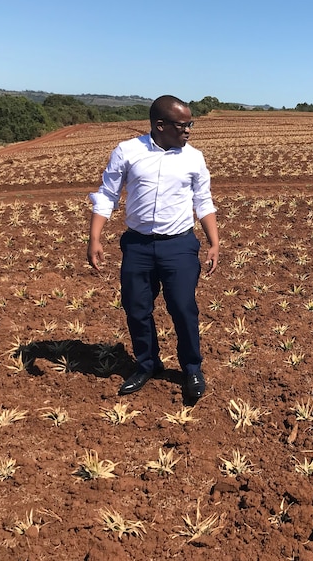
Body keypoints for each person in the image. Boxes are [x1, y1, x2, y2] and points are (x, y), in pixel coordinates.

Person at [87, 95, 219, 402]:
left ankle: (192, 369)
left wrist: (214, 242)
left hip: (180, 246)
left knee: (183, 308)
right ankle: (147, 364)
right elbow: (108, 194)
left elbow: (203, 200)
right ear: (160, 125)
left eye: (191, 124)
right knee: (136, 308)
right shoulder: (128, 152)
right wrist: (94, 237)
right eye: (183, 124)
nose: (189, 130)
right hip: (138, 245)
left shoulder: (193, 158)